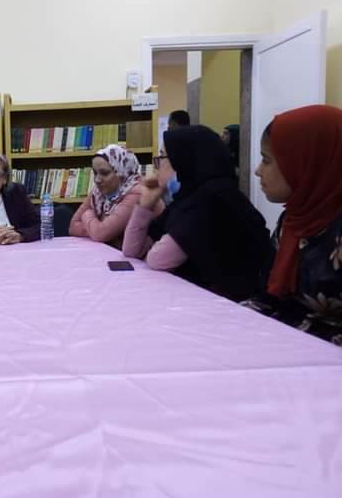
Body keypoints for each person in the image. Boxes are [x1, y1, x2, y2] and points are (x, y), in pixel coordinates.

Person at [122, 125, 272, 301]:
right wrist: (145, 204)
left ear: (183, 161)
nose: (156, 167)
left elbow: (157, 259)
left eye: (161, 157)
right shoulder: (185, 200)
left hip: (237, 305)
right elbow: (131, 249)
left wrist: (149, 249)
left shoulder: (212, 200)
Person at [243, 105, 342, 345]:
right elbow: (267, 298)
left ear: (309, 162)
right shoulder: (293, 220)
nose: (258, 171)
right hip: (285, 346)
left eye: (266, 160)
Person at [69, 145, 164, 248]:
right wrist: (101, 231)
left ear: (121, 172)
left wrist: (87, 214)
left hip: (146, 255)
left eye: (104, 173)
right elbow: (73, 226)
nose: (97, 180)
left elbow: (101, 233)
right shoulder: (98, 192)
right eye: (95, 173)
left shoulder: (138, 191)